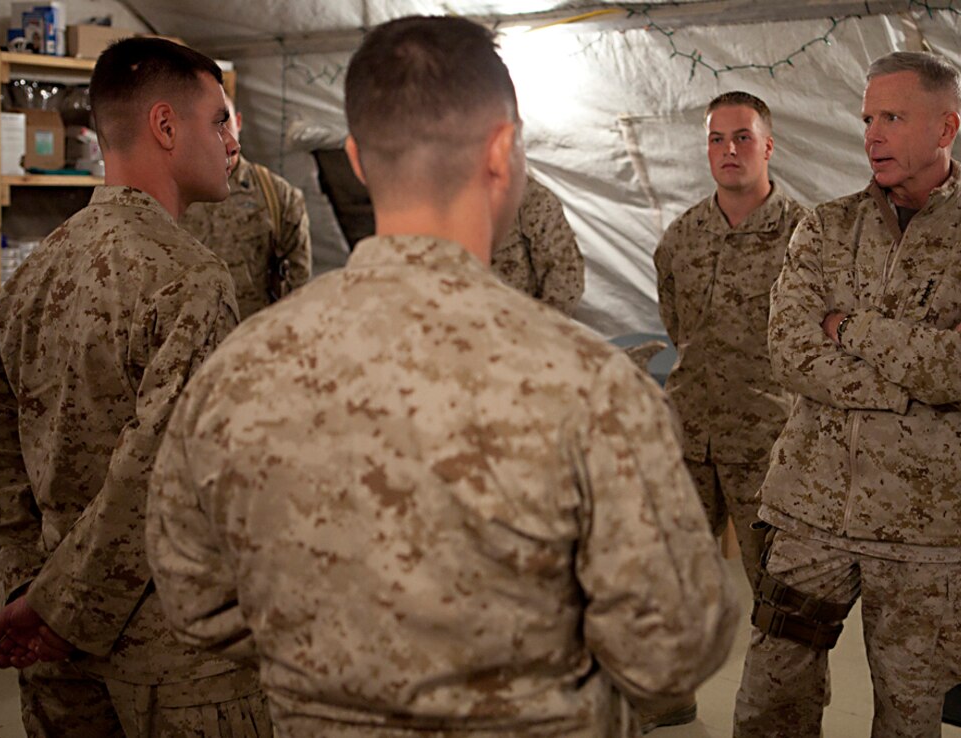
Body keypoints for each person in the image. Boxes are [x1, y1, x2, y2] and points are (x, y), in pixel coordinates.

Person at [146, 15, 737, 738]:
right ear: (502, 151)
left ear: (359, 159)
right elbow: (675, 644)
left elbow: (191, 597)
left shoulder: (236, 373)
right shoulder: (589, 388)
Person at [0, 37, 271, 737]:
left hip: (55, 655)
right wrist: (61, 609)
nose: (232, 142)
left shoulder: (36, 273)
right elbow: (163, 475)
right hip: (178, 667)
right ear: (166, 127)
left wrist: (28, 591)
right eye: (220, 120)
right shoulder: (192, 279)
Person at [733, 51, 961, 737]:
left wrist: (851, 327)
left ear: (945, 127)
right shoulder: (827, 228)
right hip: (811, 510)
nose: (872, 134)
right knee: (768, 704)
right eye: (868, 117)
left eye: (893, 117)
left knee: (910, 714)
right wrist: (917, 378)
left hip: (925, 532)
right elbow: (790, 352)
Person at [654, 91, 807, 588]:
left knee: (780, 592)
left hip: (768, 441)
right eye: (717, 140)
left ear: (768, 147)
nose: (729, 150)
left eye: (743, 137)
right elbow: (677, 323)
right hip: (689, 435)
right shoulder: (684, 235)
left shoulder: (805, 236)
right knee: (673, 584)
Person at [180, 94, 313, 320]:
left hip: (252, 342)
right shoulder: (175, 192)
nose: (219, 137)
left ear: (239, 122)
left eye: (224, 122)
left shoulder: (279, 195)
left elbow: (299, 291)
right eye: (207, 126)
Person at [491, 175, 585, 315]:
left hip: (514, 324)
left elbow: (565, 282)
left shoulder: (528, 197)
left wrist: (534, 330)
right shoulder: (450, 194)